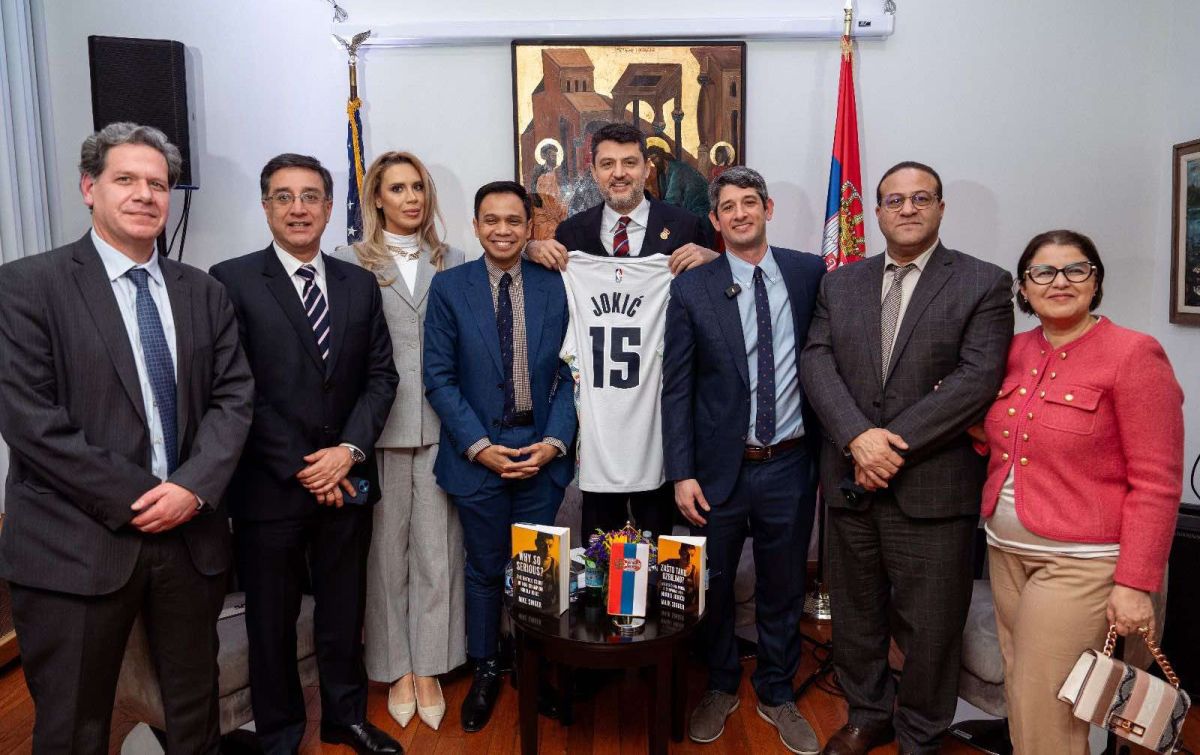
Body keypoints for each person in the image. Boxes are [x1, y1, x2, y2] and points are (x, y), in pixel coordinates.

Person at [0, 122, 254, 754]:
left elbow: (234, 398)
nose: (145, 194)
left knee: (195, 719)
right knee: (73, 728)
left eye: (158, 184)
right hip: (75, 542)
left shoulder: (204, 292)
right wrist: (145, 497)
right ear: (89, 188)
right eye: (126, 180)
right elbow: (31, 421)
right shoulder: (26, 286)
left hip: (189, 537)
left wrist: (191, 489)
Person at [800, 161, 1014, 755]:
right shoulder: (840, 283)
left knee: (932, 627)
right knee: (856, 616)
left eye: (921, 198)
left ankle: (921, 732)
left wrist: (885, 444)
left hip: (933, 488)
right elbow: (817, 361)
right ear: (877, 212)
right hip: (851, 483)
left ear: (941, 207)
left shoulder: (984, 282)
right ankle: (869, 715)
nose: (908, 209)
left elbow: (977, 380)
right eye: (894, 200)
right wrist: (856, 438)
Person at [209, 154, 401, 755]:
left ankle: (345, 718)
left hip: (348, 479)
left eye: (311, 196)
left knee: (344, 610)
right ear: (266, 206)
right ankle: (280, 734)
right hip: (271, 486)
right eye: (284, 197)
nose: (298, 209)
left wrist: (347, 451)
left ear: (329, 205)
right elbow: (236, 387)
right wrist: (306, 464)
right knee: (271, 618)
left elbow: (381, 377)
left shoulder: (357, 283)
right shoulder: (231, 280)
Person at [976, 229, 1182, 755]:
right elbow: (1001, 433)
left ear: (1095, 281)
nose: (1059, 281)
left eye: (1075, 269)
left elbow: (1157, 481)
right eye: (1043, 272)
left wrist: (1135, 583)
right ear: (1025, 288)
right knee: (1023, 691)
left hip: (1082, 562)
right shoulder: (1013, 351)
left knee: (1045, 707)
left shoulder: (1133, 353)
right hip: (1006, 552)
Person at [663, 166, 825, 754]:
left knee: (784, 586)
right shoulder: (693, 289)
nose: (739, 214)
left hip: (790, 463)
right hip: (717, 469)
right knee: (714, 584)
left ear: (767, 208)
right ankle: (721, 683)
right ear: (715, 220)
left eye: (749, 202)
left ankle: (777, 691)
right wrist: (681, 471)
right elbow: (677, 386)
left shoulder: (809, 273)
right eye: (727, 207)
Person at [423, 180, 576, 733]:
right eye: (491, 220)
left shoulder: (557, 286)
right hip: (478, 457)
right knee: (485, 569)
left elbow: (572, 373)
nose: (503, 230)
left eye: (514, 220)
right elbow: (438, 378)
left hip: (540, 451)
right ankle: (487, 667)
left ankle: (534, 668)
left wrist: (554, 442)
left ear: (530, 227)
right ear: (476, 225)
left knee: (538, 570)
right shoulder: (449, 287)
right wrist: (480, 448)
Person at [526, 121, 717, 542]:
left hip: (662, 423)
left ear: (647, 168)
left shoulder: (686, 227)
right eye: (608, 164)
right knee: (598, 548)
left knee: (660, 547)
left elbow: (716, 306)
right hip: (599, 430)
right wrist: (530, 248)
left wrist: (713, 260)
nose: (619, 173)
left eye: (629, 163)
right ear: (593, 171)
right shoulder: (572, 233)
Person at [332, 151, 466, 732]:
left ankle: (430, 665)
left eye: (418, 187)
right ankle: (395, 669)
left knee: (438, 553)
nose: (411, 198)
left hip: (442, 427)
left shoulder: (454, 260)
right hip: (377, 431)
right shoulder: (348, 263)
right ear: (377, 198)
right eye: (398, 188)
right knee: (386, 558)